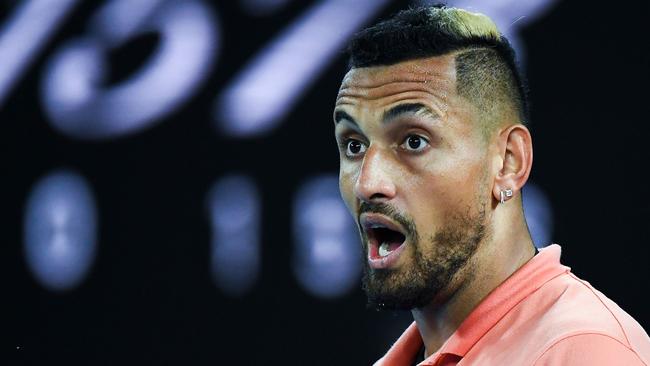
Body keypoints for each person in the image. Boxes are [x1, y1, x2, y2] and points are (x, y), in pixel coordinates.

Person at [333, 5, 650, 365]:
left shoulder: (585, 351)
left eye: (414, 141)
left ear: (508, 162)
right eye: (354, 145)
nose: (367, 183)